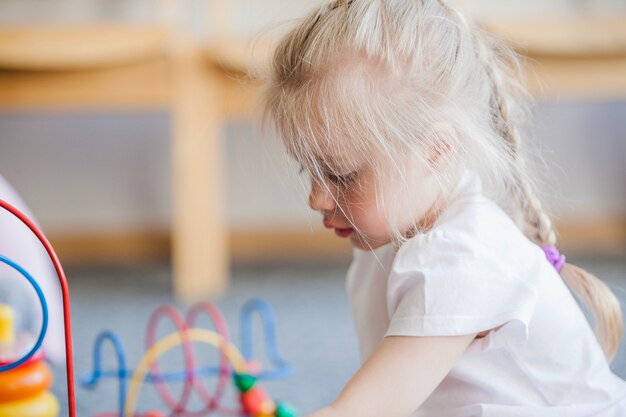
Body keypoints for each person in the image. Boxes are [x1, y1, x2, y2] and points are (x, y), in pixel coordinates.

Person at [260, 1, 626, 416]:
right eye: (308, 169)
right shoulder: (391, 236)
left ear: (435, 151)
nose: (316, 199)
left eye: (341, 176)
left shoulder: (462, 257)